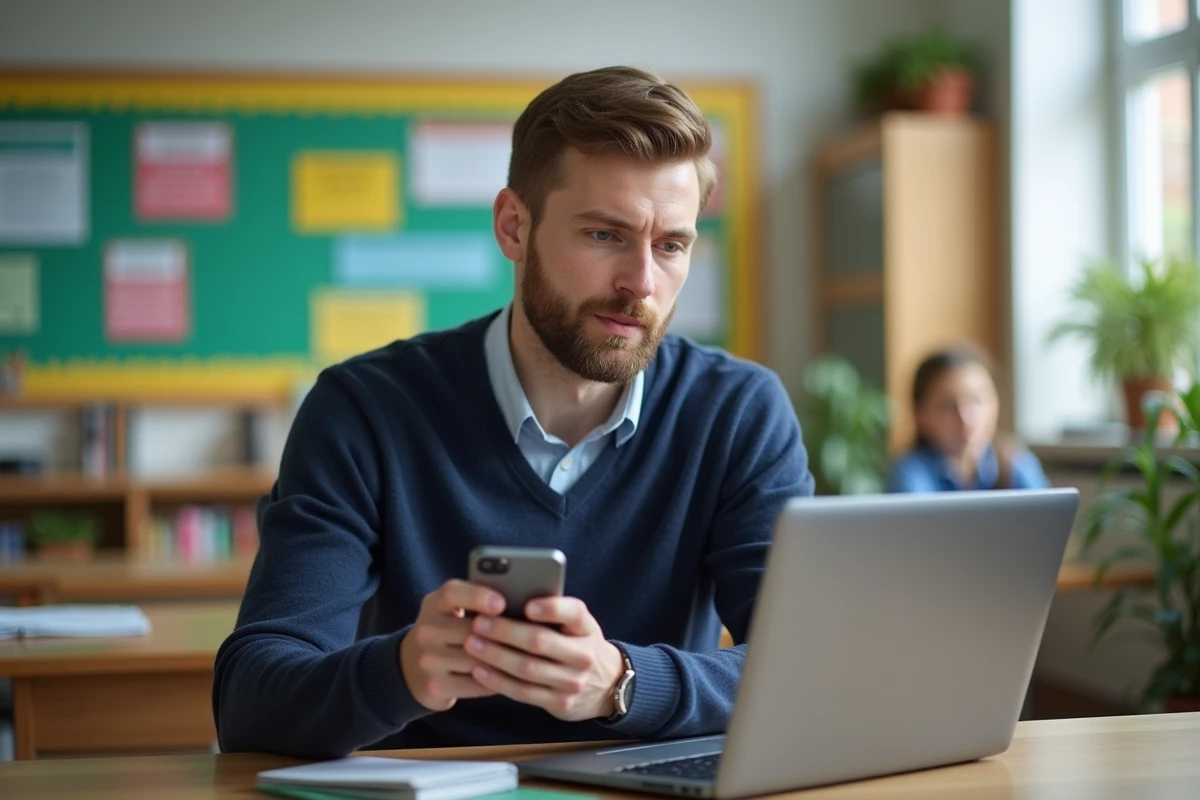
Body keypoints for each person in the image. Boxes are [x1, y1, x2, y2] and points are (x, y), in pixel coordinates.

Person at [213, 66, 814, 759]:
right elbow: (250, 700)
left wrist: (622, 683)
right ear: (514, 226)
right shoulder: (364, 411)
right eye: (604, 235)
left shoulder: (737, 412)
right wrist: (401, 672)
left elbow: (808, 670)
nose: (641, 283)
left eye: (671, 245)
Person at [888, 345, 1048, 493]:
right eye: (948, 406)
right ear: (920, 414)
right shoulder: (910, 473)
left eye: (976, 400)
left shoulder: (1017, 463)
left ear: (995, 402)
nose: (966, 418)